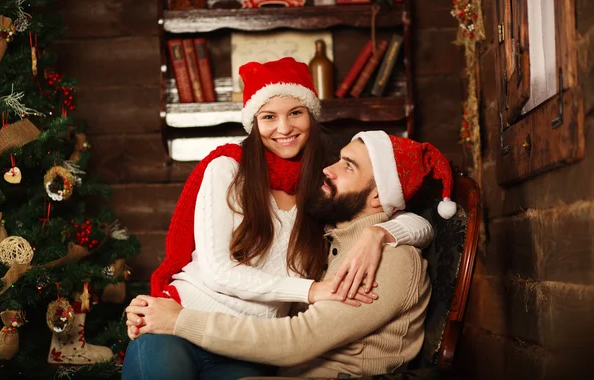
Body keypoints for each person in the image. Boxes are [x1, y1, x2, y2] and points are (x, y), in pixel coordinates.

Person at [122, 58, 434, 380]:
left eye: (295, 113)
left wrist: (380, 234)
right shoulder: (228, 169)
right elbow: (217, 272)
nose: (283, 129)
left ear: (311, 116)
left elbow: (417, 222)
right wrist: (311, 290)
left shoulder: (324, 187)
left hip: (248, 344)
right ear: (254, 123)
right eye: (269, 117)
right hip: (182, 319)